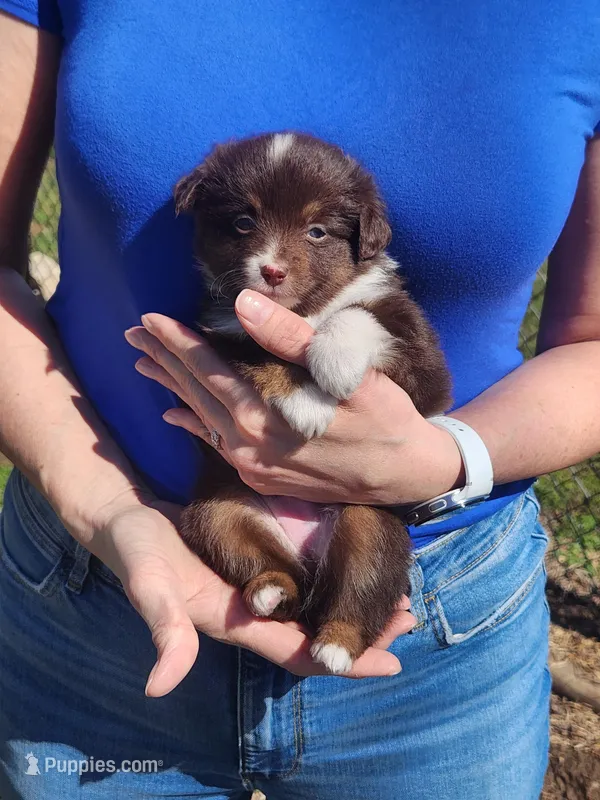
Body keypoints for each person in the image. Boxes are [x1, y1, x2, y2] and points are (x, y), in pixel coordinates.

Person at [1, 2, 599, 798]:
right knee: (223, 515)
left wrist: (446, 455)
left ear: (360, 238)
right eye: (245, 224)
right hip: (96, 595)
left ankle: (346, 622)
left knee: (363, 541)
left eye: (317, 232)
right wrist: (110, 509)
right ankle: (270, 577)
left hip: (438, 631)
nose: (272, 258)